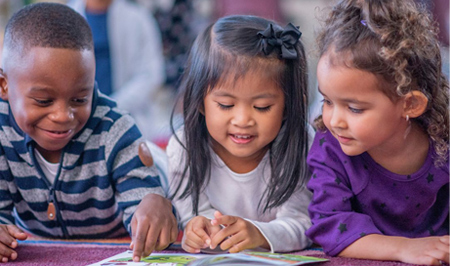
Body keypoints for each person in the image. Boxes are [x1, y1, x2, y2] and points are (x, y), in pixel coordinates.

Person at [0, 3, 177, 263]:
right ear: (4, 85)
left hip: (153, 172)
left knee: (159, 183)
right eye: (43, 101)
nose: (63, 115)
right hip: (39, 234)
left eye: (80, 99)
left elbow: (143, 207)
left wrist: (152, 205)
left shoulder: (116, 129)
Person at [306, 0, 449, 265]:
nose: (335, 120)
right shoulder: (330, 149)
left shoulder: (443, 144)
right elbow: (331, 226)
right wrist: (404, 249)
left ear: (410, 104)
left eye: (355, 109)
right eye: (327, 101)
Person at [167, 15, 313, 254]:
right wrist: (199, 230)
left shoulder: (300, 143)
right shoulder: (183, 148)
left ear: (288, 106)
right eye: (225, 105)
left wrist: (258, 233)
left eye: (262, 107)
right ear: (200, 103)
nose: (243, 120)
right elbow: (194, 216)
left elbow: (302, 224)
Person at [68, 0, 166, 141]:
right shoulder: (66, 18)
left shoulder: (138, 18)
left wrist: (110, 107)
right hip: (78, 121)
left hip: (128, 118)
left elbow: (151, 75)